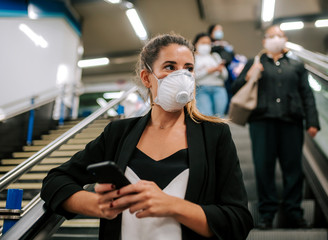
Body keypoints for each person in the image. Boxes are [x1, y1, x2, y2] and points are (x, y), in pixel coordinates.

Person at [41, 33, 253, 240]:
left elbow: (238, 220)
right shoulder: (118, 133)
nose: (182, 76)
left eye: (188, 68)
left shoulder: (214, 134)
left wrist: (173, 205)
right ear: (146, 78)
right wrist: (98, 204)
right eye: (170, 67)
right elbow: (55, 181)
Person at [231, 25, 320, 229]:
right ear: (264, 41)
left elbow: (307, 94)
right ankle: (267, 213)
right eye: (272, 36)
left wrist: (312, 121)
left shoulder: (296, 66)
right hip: (262, 122)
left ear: (285, 39)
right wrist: (248, 75)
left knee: (293, 169)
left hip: (291, 122)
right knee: (263, 168)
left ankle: (294, 212)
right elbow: (235, 89)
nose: (276, 39)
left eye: (280, 35)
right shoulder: (255, 63)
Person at [193, 33, 228, 117]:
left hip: (219, 89)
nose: (206, 46)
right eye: (203, 43)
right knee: (207, 117)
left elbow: (225, 76)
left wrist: (220, 70)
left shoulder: (215, 56)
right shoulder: (192, 58)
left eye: (208, 43)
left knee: (220, 118)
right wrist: (208, 70)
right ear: (196, 44)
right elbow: (192, 76)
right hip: (201, 90)